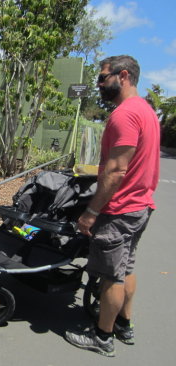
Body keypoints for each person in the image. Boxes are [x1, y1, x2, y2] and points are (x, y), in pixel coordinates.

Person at [64, 55, 160, 357]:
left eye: (103, 78)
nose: (99, 84)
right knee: (126, 267)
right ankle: (123, 324)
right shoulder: (145, 110)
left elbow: (117, 170)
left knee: (111, 276)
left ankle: (103, 337)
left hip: (120, 209)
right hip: (140, 206)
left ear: (124, 76)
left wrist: (91, 212)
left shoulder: (124, 115)